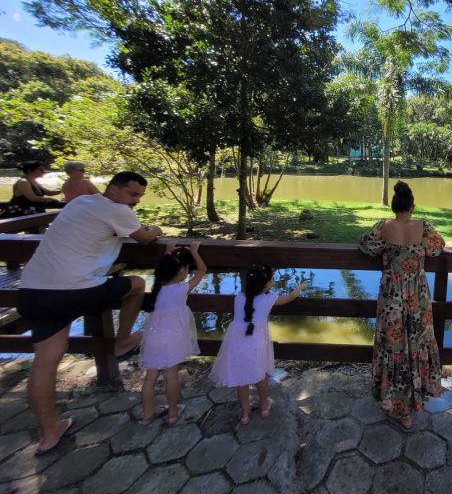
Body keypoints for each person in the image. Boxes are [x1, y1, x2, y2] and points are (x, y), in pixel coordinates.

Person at [16, 171, 163, 455]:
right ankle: (123, 341)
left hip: (33, 292)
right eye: (132, 194)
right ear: (113, 190)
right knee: (137, 284)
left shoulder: (80, 203)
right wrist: (155, 230)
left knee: (44, 363)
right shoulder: (118, 210)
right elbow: (145, 238)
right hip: (76, 291)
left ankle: (50, 433)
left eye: (139, 197)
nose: (135, 201)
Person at [358, 180, 444, 430]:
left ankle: (396, 405)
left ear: (394, 207)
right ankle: (415, 400)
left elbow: (365, 244)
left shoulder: (384, 227)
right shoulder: (423, 226)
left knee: (393, 346)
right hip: (417, 295)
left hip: (392, 296)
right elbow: (438, 248)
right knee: (417, 343)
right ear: (412, 207)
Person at [210, 265, 306, 425]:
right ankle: (264, 406)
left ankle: (245, 414)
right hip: (257, 344)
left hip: (236, 344)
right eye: (271, 279)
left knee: (241, 380)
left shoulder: (238, 298)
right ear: (267, 284)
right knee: (261, 376)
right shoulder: (269, 299)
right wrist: (300, 287)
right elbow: (290, 297)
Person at [139, 241, 207, 426]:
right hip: (173, 338)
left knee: (150, 377)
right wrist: (194, 252)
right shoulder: (181, 289)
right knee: (171, 375)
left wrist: (168, 251)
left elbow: (164, 267)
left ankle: (147, 414)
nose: (187, 271)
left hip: (153, 335)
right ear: (182, 271)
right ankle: (173, 413)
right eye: (186, 269)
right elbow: (202, 270)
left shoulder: (158, 288)